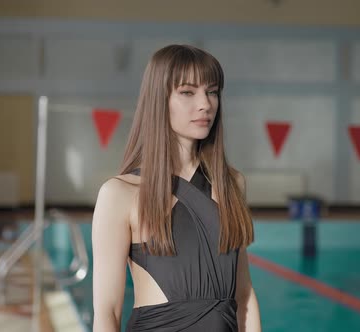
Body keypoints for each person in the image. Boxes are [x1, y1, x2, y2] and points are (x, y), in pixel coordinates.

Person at [91, 44, 261, 332]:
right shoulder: (120, 194)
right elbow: (107, 312)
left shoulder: (231, 184)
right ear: (159, 100)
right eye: (187, 92)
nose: (205, 104)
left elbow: (243, 296)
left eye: (212, 91)